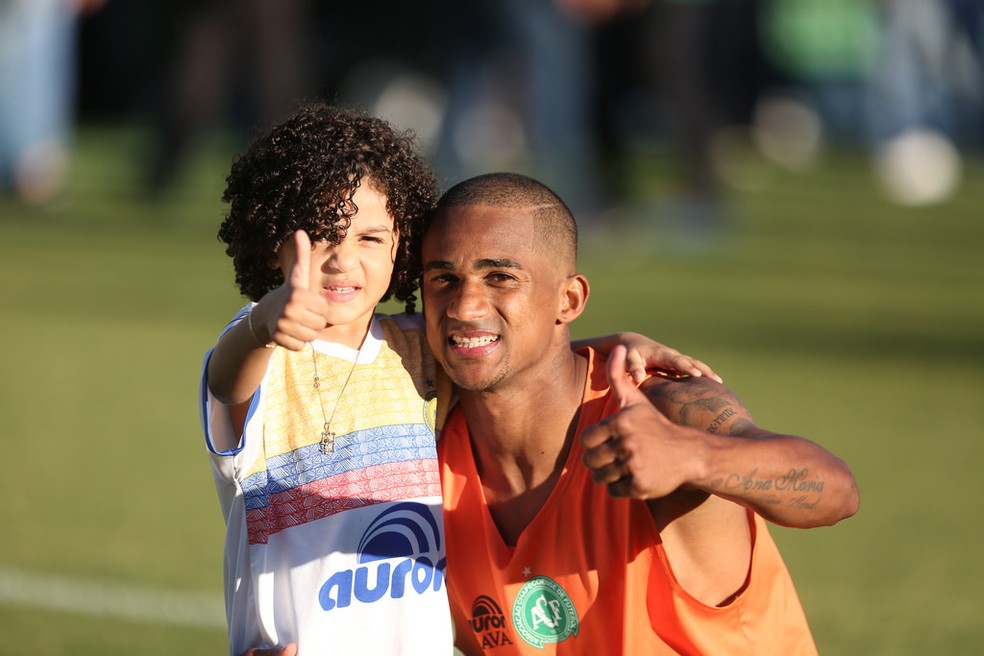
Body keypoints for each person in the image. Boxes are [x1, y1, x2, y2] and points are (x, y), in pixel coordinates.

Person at [199, 103, 720, 656]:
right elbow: (228, 383)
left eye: (370, 239)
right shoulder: (262, 352)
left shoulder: (416, 349)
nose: (342, 261)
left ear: (403, 245)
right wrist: (264, 321)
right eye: (321, 236)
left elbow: (507, 349)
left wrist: (610, 345)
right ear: (272, 238)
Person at [421, 172, 860, 654]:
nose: (464, 306)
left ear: (569, 300)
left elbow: (835, 489)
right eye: (443, 279)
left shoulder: (661, 408)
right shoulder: (423, 436)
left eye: (500, 277)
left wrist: (693, 459)